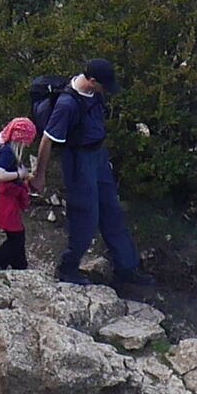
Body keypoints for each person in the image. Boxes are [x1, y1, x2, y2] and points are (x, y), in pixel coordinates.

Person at [42, 59, 142, 292]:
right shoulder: (67, 104)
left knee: (112, 211)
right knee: (86, 216)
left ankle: (127, 268)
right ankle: (68, 267)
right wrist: (39, 175)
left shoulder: (94, 94)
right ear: (93, 81)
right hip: (79, 162)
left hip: (97, 156)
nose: (107, 91)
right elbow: (48, 140)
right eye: (104, 85)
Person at [0, 114, 39, 270]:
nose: (27, 145)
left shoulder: (4, 148)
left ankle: (20, 266)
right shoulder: (7, 153)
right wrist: (21, 175)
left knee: (16, 235)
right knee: (17, 237)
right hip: (6, 204)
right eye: (27, 141)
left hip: (3, 201)